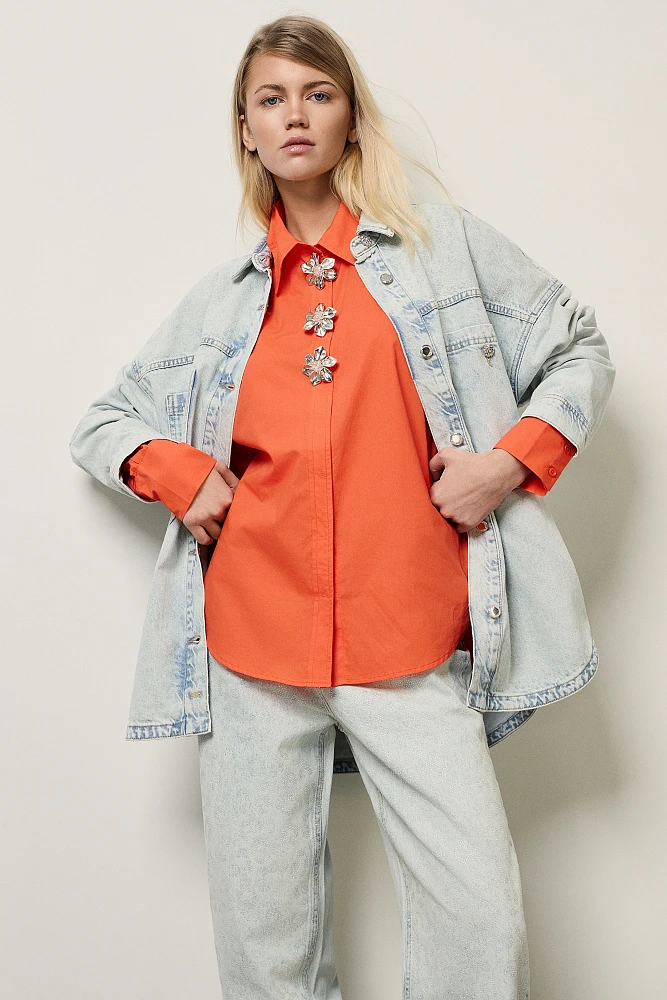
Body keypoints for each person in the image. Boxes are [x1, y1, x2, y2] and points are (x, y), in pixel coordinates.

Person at [68, 15, 615, 999]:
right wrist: (177, 472)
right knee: (265, 945)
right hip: (250, 647)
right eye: (271, 99)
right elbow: (105, 423)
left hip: (407, 635)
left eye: (317, 95)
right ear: (245, 129)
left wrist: (505, 465)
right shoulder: (225, 301)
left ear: (350, 118)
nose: (295, 116)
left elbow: (578, 346)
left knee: (477, 918)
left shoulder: (441, 251)